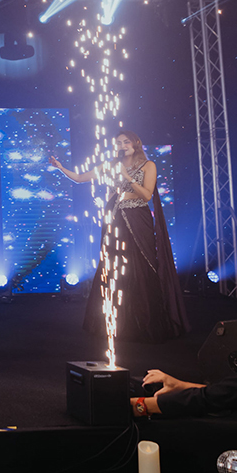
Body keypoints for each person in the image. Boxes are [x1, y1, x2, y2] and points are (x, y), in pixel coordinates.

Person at [50, 130, 188, 343]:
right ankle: (118, 323)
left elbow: (147, 195)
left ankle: (147, 322)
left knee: (141, 265)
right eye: (118, 143)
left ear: (136, 143)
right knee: (115, 268)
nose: (122, 146)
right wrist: (60, 168)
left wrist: (126, 177)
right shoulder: (111, 165)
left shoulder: (148, 165)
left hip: (138, 218)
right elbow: (79, 178)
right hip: (114, 219)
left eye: (126, 142)